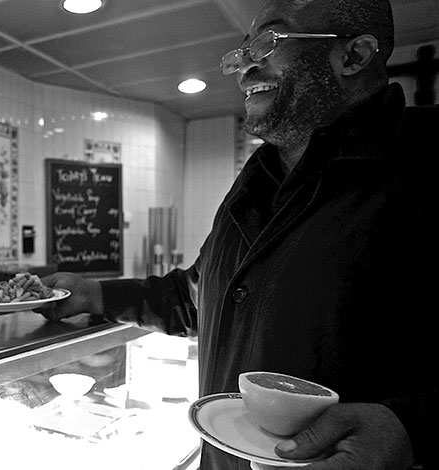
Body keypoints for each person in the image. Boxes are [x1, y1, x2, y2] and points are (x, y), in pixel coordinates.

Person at [37, 0, 436, 469]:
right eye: (244, 49)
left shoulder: (426, 163)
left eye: (268, 41)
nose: (245, 65)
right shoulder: (256, 179)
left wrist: (411, 428)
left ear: (353, 55)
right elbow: (196, 296)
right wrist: (95, 294)